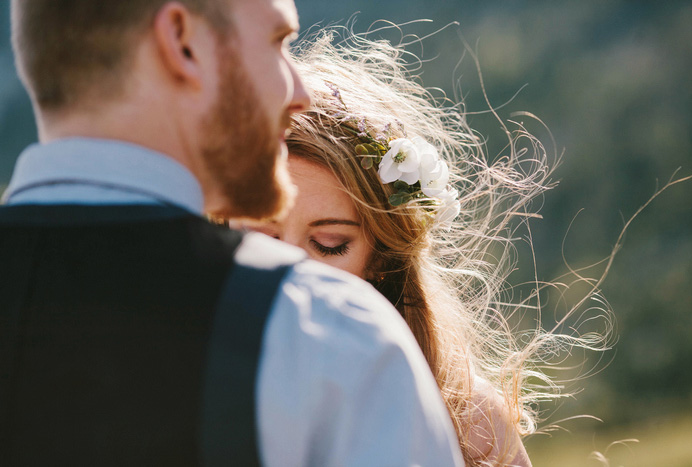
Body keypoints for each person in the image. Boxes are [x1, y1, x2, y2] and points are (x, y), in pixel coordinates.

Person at [0, 1, 463, 466]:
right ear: (183, 42)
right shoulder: (328, 336)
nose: (299, 91)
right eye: (277, 42)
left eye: (329, 244)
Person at [237, 30, 611, 466]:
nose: (292, 269)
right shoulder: (176, 383)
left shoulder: (466, 417)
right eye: (262, 238)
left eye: (329, 245)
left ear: (378, 258)